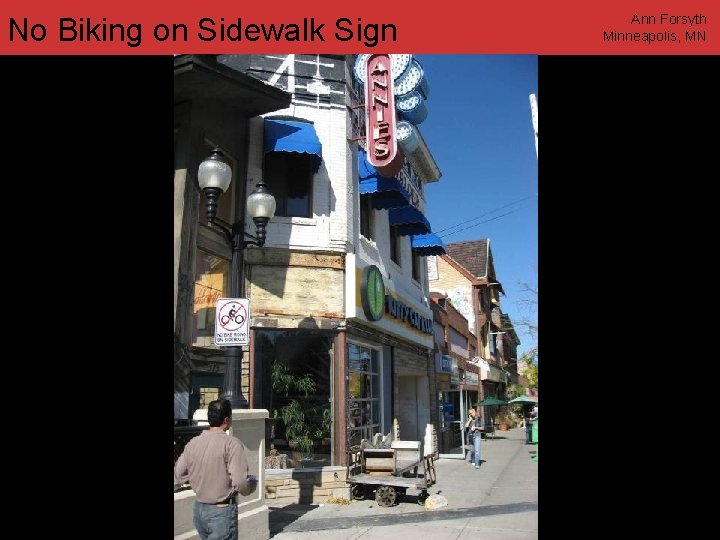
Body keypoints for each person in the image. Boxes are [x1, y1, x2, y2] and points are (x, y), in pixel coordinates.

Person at [174, 399, 258, 540]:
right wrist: (251, 486)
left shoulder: (193, 443)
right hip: (221, 512)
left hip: (199, 510)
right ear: (227, 420)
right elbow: (240, 482)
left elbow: (177, 476)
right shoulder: (231, 444)